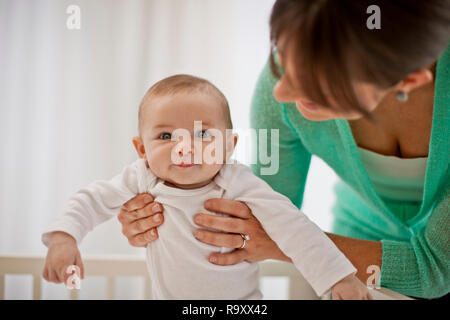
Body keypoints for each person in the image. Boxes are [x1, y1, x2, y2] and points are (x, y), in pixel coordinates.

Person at [117, 1, 449, 299]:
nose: (282, 92)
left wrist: (289, 246)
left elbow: (436, 270)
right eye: (282, 60)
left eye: (317, 83)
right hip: (357, 251)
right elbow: (259, 218)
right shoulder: (279, 94)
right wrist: (161, 217)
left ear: (407, 81)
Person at [42, 74, 372, 299]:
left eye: (203, 134)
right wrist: (63, 238)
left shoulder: (238, 183)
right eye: (166, 136)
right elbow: (91, 200)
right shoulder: (141, 177)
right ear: (142, 149)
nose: (184, 147)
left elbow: (296, 229)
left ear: (229, 146)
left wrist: (338, 277)